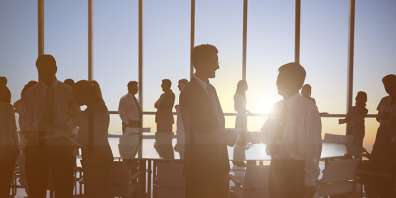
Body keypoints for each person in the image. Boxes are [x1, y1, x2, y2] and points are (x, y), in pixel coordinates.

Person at [261, 62, 322, 198]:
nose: (277, 82)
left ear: (295, 82)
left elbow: (313, 147)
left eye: (281, 78)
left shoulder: (308, 108)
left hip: (296, 171)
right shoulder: (276, 106)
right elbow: (265, 132)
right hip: (276, 168)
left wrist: (309, 181)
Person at [23, 54, 79, 197]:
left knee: (64, 190)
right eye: (42, 68)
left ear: (55, 68)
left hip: (62, 147)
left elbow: (75, 118)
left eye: (48, 68)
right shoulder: (30, 93)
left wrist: (62, 132)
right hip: (37, 147)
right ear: (38, 69)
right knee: (36, 190)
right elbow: (24, 121)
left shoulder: (68, 92)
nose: (45, 71)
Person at [180, 44, 229, 198]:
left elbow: (216, 122)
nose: (218, 66)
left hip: (216, 161)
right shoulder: (189, 91)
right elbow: (197, 131)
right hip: (201, 165)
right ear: (202, 62)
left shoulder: (211, 89)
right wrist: (230, 136)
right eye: (215, 61)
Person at [75, 80, 113, 198]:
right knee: (101, 190)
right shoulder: (98, 107)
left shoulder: (92, 111)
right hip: (99, 153)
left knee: (95, 190)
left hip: (95, 155)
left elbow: (84, 136)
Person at [366, 74, 396, 197]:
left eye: (388, 85)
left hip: (393, 133)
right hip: (383, 133)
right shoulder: (384, 100)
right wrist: (384, 117)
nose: (387, 88)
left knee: (391, 162)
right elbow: (379, 117)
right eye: (385, 86)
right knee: (377, 159)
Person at [0, 84, 18, 197]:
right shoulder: (8, 108)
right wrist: (16, 148)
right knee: (5, 182)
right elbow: (13, 130)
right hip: (7, 149)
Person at [339, 91, 368, 156]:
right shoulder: (359, 109)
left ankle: (354, 161)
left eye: (357, 97)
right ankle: (354, 161)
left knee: (356, 148)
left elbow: (350, 118)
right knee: (352, 148)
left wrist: (344, 120)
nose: (355, 99)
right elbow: (349, 118)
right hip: (353, 130)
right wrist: (344, 120)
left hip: (357, 132)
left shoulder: (362, 110)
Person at [233, 80, 249, 166]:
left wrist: (245, 110)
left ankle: (240, 159)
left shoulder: (242, 95)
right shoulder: (238, 95)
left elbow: (241, 107)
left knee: (242, 137)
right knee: (240, 137)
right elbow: (236, 108)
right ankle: (237, 160)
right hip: (240, 117)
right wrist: (243, 110)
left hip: (243, 116)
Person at [175, 79, 188, 159]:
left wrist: (178, 108)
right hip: (182, 125)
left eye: (180, 84)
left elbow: (186, 109)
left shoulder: (185, 94)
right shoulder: (184, 94)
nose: (178, 86)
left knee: (183, 147)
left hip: (183, 125)